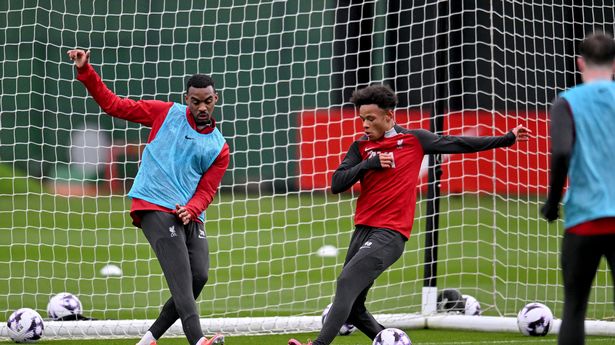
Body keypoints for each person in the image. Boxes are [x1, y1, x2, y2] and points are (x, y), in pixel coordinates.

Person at [289, 84, 530, 345]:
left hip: (390, 234)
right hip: (362, 231)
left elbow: (459, 143)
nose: (365, 125)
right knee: (356, 309)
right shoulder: (361, 148)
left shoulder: (414, 140)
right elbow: (337, 183)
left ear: (389, 116)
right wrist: (367, 164)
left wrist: (507, 138)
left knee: (347, 281)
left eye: (370, 118)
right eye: (362, 119)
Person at [67, 49, 228, 345]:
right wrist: (86, 71)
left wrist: (192, 210)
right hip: (154, 204)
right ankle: (199, 341)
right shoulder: (165, 113)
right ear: (187, 99)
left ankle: (149, 339)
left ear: (215, 99)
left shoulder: (219, 147)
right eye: (195, 101)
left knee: (199, 277)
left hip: (189, 213)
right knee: (181, 282)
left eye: (207, 100)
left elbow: (207, 190)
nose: (202, 106)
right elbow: (114, 105)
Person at [541, 32, 615, 345]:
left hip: (584, 219)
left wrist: (552, 202)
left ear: (580, 63)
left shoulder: (566, 102)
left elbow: (560, 153)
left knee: (574, 309)